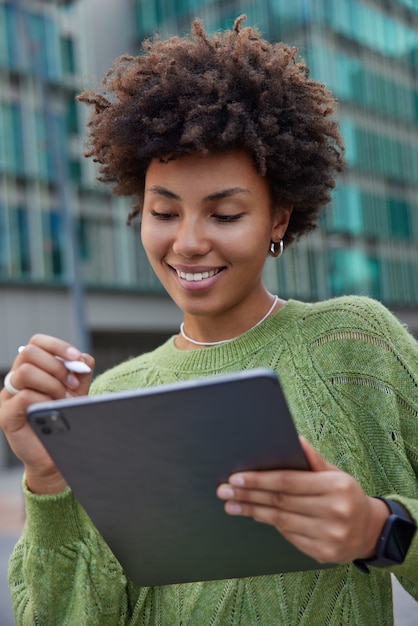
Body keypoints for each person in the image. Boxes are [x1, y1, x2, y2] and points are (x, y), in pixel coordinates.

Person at [1, 15, 417, 626]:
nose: (188, 243)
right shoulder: (112, 399)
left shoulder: (355, 344)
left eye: (224, 215)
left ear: (279, 219)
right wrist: (48, 479)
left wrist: (379, 529)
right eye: (163, 212)